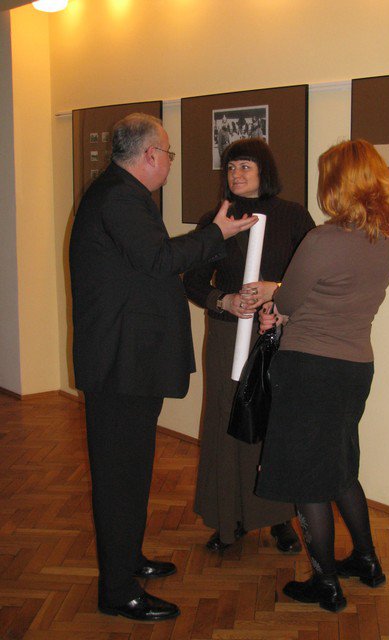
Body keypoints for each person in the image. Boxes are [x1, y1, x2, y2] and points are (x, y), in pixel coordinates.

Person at [69, 113, 257, 622]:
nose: (171, 161)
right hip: (119, 367)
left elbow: (147, 261)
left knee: (131, 472)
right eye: (169, 152)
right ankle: (117, 591)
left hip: (129, 362)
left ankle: (127, 560)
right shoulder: (118, 198)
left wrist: (211, 234)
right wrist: (216, 233)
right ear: (150, 155)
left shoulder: (123, 194)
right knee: (118, 478)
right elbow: (158, 260)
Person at [256, 139, 389, 612]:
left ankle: (326, 584)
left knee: (307, 478)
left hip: (310, 368)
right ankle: (366, 561)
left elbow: (288, 301)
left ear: (338, 184)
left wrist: (275, 296)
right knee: (341, 469)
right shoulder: (387, 238)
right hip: (355, 367)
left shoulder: (323, 240)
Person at [183, 138, 315, 553]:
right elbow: (193, 281)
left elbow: (313, 276)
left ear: (264, 171)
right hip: (228, 336)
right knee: (228, 423)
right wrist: (224, 301)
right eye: (231, 167)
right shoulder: (218, 219)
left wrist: (276, 291)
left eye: (245, 166)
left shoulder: (293, 217)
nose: (236, 174)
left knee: (273, 425)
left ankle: (280, 519)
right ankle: (230, 517)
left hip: (278, 334)